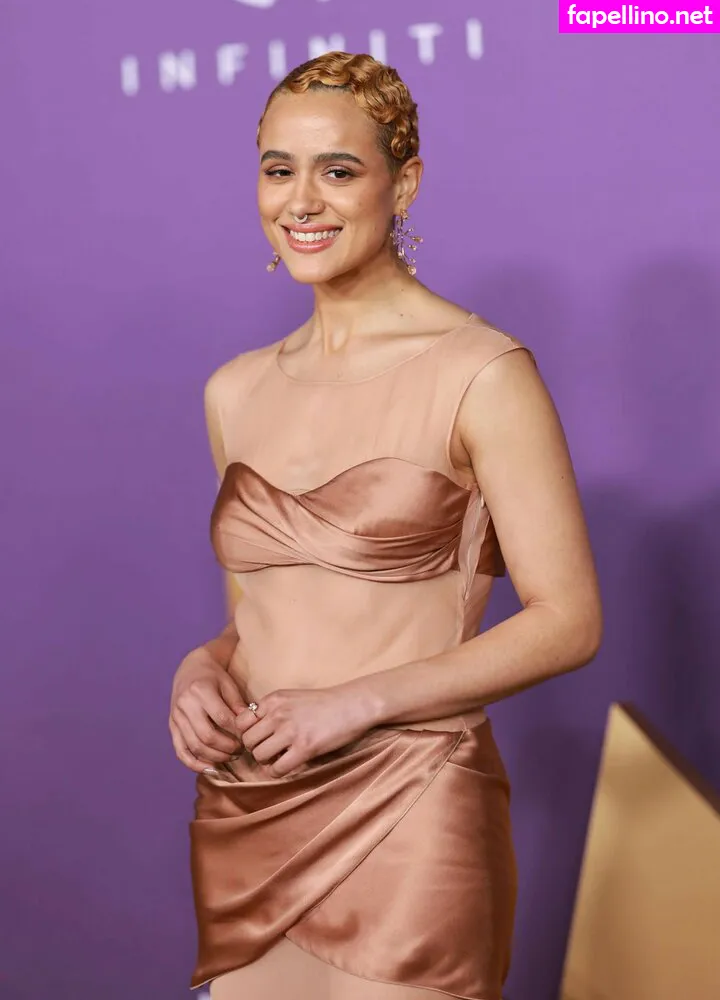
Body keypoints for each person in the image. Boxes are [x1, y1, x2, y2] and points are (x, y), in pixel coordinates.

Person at [168, 51, 602, 1000]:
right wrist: (202, 669)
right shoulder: (234, 391)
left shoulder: (481, 370)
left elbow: (569, 620)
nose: (301, 201)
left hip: (413, 804)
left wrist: (355, 703)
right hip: (250, 804)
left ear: (403, 184)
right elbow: (255, 620)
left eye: (338, 170)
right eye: (278, 169)